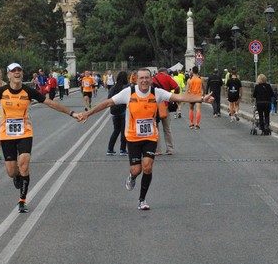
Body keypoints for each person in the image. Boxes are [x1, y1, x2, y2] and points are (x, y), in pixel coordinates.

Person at [80, 68, 213, 210]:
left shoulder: (157, 92)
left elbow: (179, 97)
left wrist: (201, 99)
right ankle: (132, 176)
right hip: (133, 137)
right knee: (136, 170)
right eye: (141, 78)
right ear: (136, 79)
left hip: (150, 136)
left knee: (148, 167)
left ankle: (142, 200)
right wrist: (88, 113)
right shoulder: (129, 93)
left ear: (151, 79)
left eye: (147, 78)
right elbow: (107, 103)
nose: (144, 80)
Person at [0, 63, 80, 212]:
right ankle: (17, 175)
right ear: (9, 75)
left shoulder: (28, 91)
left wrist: (72, 113)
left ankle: (22, 200)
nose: (17, 73)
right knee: (11, 171)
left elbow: (50, 103)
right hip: (7, 134)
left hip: (25, 132)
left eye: (19, 70)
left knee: (24, 163)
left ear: (22, 75)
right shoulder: (1, 91)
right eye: (13, 71)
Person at [152, 68, 180, 155]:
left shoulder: (153, 79)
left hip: (155, 106)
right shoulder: (168, 78)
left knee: (155, 128)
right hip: (165, 105)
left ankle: (157, 149)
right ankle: (169, 149)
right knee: (167, 128)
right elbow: (177, 87)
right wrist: (173, 96)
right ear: (165, 72)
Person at [106, 70, 129, 156]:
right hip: (124, 111)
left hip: (115, 112)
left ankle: (110, 149)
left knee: (116, 131)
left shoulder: (113, 88)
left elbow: (109, 99)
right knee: (124, 131)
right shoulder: (127, 87)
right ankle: (122, 149)